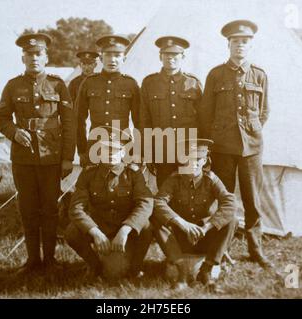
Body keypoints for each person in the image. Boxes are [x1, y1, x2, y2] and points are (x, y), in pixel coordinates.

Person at [0, 33, 77, 275]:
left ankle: (50, 260)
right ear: (23, 58)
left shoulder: (57, 85)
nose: (34, 58)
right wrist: (14, 132)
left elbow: (70, 123)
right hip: (23, 156)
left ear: (46, 57)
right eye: (29, 55)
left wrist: (67, 158)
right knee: (28, 208)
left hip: (52, 156)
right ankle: (32, 261)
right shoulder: (12, 86)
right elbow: (1, 118)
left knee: (50, 209)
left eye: (38, 54)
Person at [199, 20, 272, 268]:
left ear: (250, 45)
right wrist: (212, 143)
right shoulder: (216, 74)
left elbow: (264, 112)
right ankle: (222, 247)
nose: (240, 45)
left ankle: (255, 249)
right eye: (235, 41)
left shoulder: (259, 75)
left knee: (253, 201)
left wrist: (252, 131)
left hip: (251, 148)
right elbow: (205, 113)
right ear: (228, 44)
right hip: (222, 147)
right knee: (225, 199)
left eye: (245, 41)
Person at [65, 126, 154, 280]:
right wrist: (95, 231)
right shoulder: (88, 174)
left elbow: (145, 203)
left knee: (146, 227)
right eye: (107, 150)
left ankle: (136, 268)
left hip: (124, 226)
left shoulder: (133, 173)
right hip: (100, 226)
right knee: (72, 232)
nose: (111, 154)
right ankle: (94, 266)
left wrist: (126, 229)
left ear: (123, 153)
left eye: (116, 150)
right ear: (99, 153)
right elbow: (76, 208)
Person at [153, 138, 238, 290]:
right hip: (181, 238)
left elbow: (230, 202)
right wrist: (182, 224)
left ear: (205, 160)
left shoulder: (211, 179)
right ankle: (182, 273)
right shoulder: (174, 179)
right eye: (188, 159)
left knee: (231, 219)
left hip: (204, 236)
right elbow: (158, 202)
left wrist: (207, 227)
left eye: (198, 159)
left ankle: (206, 270)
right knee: (156, 219)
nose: (193, 163)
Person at [140, 36, 202, 188]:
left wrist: (200, 150)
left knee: (188, 189)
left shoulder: (193, 82)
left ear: (183, 57)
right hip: (162, 146)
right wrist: (148, 150)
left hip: (188, 146)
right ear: (160, 57)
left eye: (175, 54)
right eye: (166, 54)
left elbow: (203, 118)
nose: (170, 58)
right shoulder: (150, 83)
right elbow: (144, 119)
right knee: (164, 190)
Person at [76, 35, 140, 167]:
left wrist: (138, 151)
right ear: (100, 58)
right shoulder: (89, 82)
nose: (112, 60)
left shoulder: (131, 84)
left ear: (124, 58)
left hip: (123, 145)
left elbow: (139, 121)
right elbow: (78, 119)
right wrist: (82, 151)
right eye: (108, 55)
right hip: (95, 146)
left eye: (117, 55)